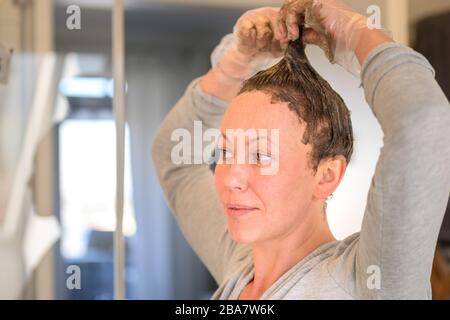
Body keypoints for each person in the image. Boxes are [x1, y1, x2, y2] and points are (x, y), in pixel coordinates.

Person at [152, 0, 450, 299]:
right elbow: (175, 156)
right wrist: (237, 63)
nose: (230, 179)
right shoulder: (239, 266)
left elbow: (422, 122)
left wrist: (356, 33)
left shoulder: (367, 283)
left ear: (326, 175)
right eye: (226, 153)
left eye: (260, 156)